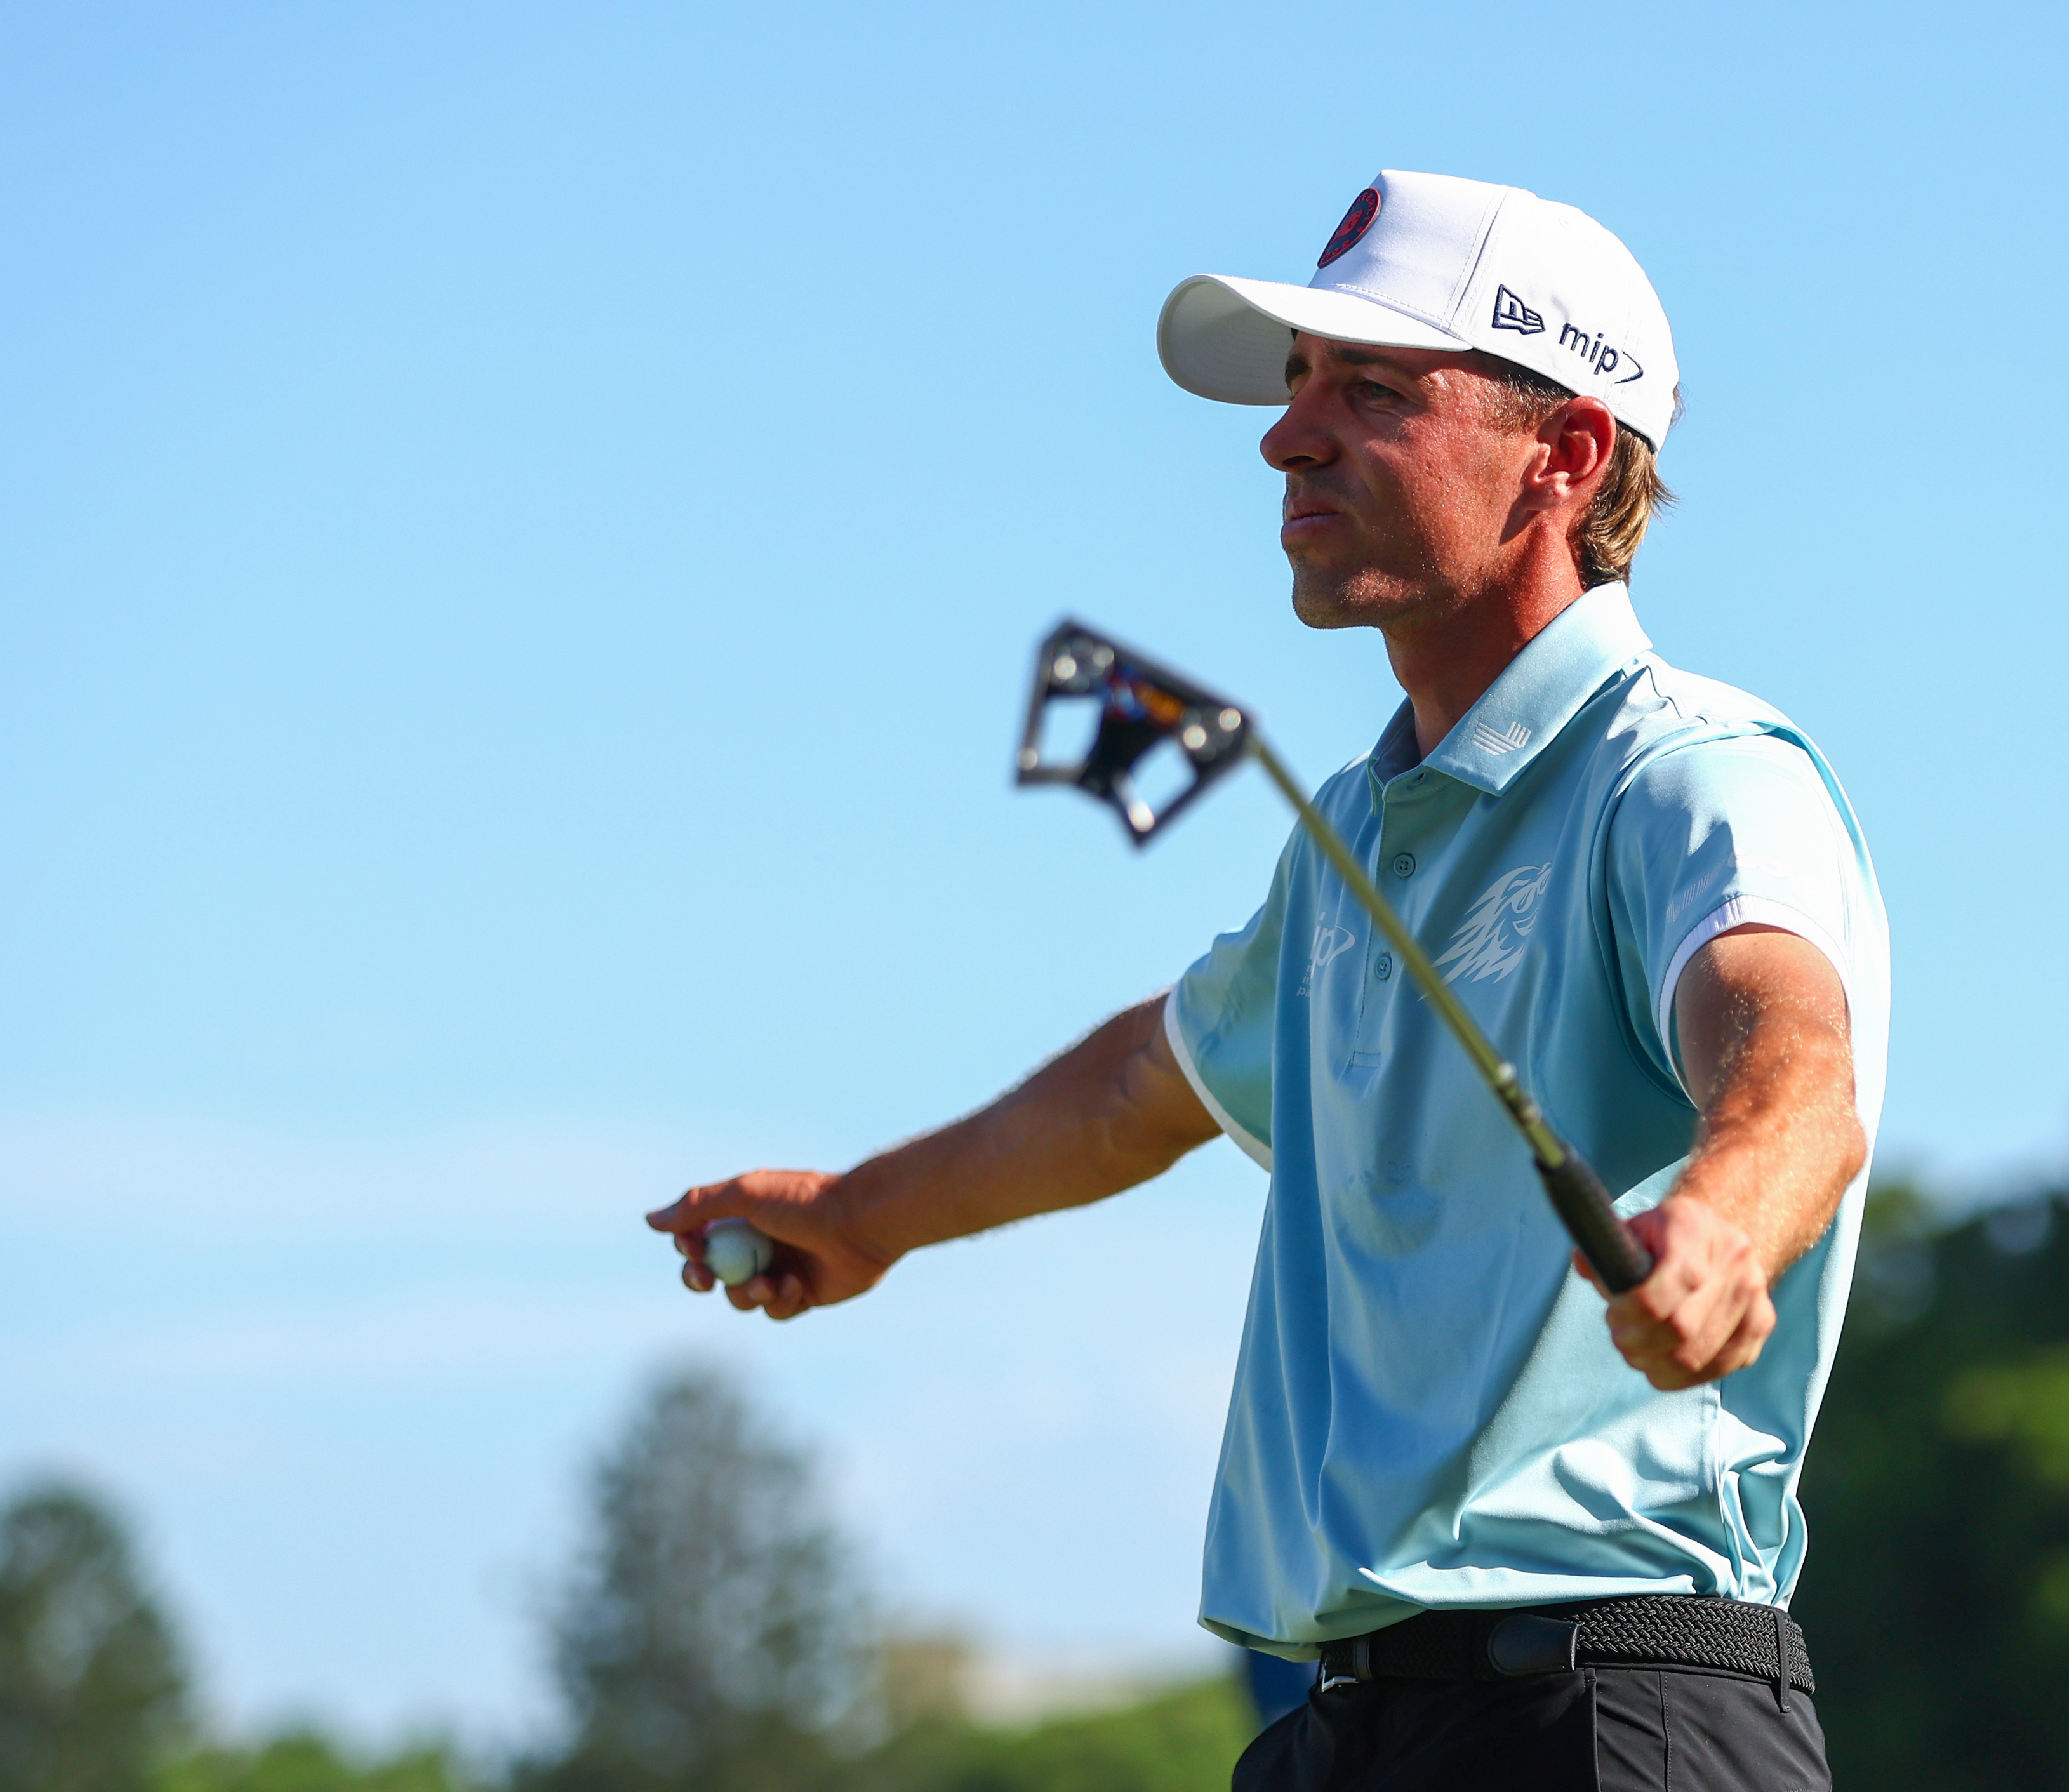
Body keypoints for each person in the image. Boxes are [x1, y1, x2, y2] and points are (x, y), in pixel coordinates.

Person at [649, 170, 1888, 1791]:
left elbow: (1792, 1047)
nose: (1286, 439)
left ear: (1565, 455)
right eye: (1299, 385)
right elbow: (1137, 1087)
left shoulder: (1690, 771)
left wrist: (1723, 1226)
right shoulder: (1356, 837)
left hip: (1611, 1715)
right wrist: (868, 1210)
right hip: (1344, 1730)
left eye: (1370, 390)